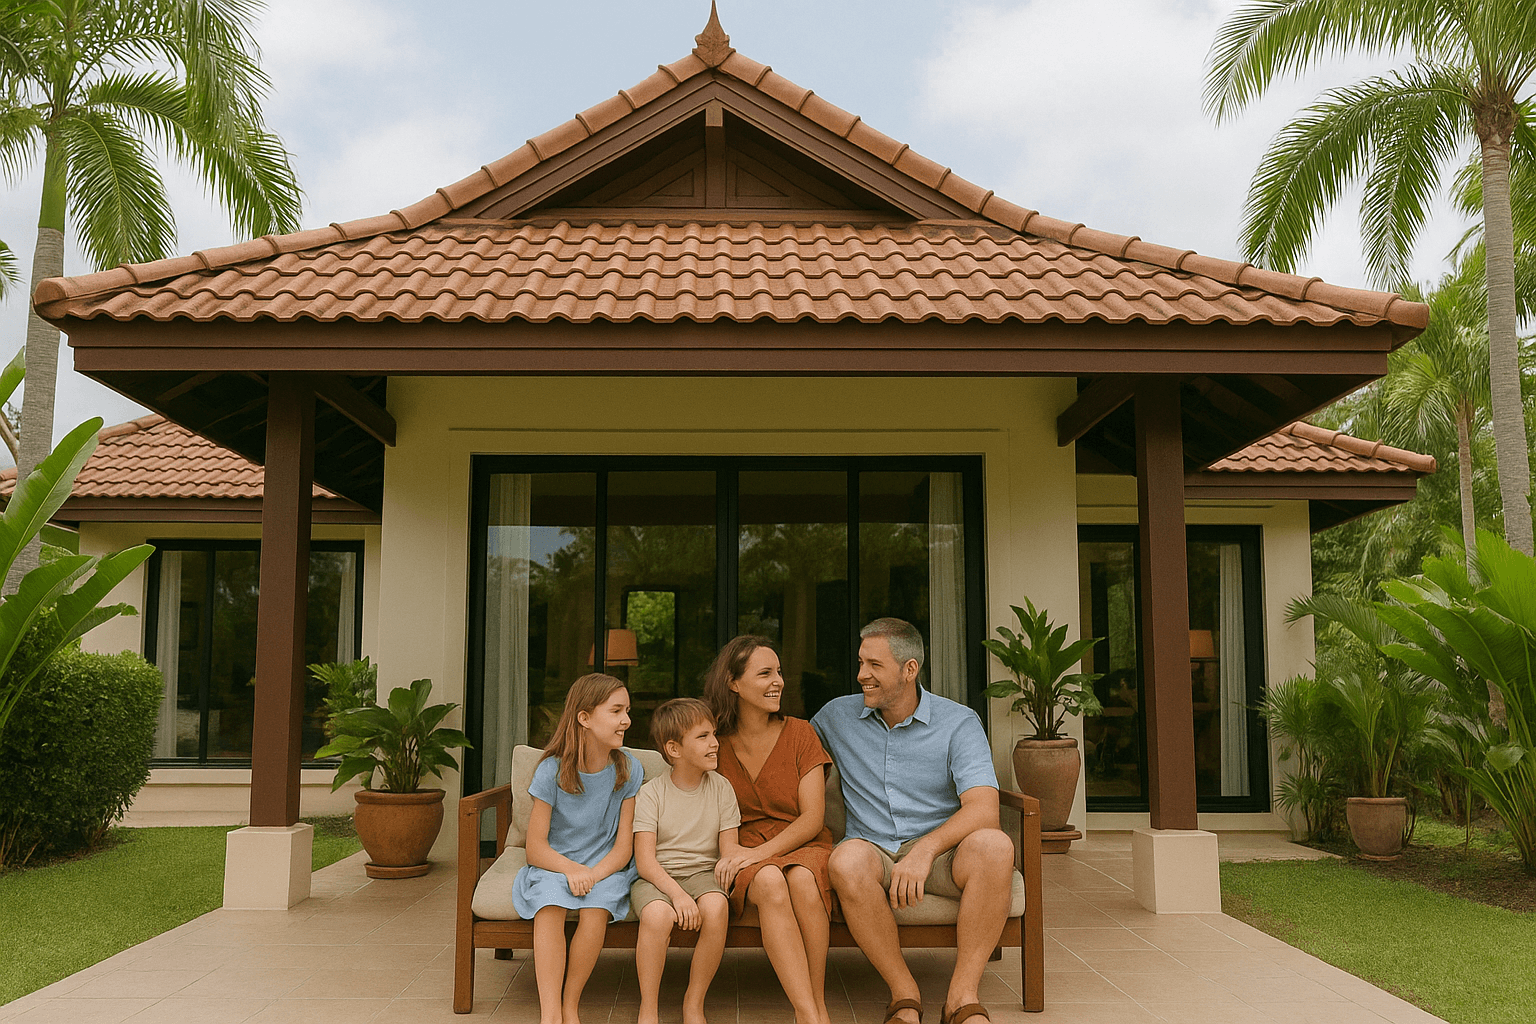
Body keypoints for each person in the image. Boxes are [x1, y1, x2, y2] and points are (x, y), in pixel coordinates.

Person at [812, 618, 1015, 1024]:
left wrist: (925, 849)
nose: (861, 675)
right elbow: (786, 754)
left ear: (909, 670)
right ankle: (904, 994)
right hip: (872, 850)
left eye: (874, 665)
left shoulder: (958, 722)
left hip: (941, 856)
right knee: (845, 860)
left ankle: (961, 997)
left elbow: (984, 808)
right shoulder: (835, 717)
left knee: (996, 845)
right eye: (860, 663)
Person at [704, 636, 836, 1024]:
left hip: (802, 842)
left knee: (803, 882)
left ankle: (814, 1006)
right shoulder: (713, 742)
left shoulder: (800, 733)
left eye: (778, 672)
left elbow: (812, 818)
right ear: (733, 682)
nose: (778, 681)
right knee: (772, 883)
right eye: (765, 673)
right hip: (739, 847)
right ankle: (810, 1014)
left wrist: (760, 854)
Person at [512, 673, 644, 1024]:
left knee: (597, 908)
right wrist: (571, 870)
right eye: (616, 710)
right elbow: (535, 848)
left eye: (627, 710)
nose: (626, 720)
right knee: (549, 906)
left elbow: (623, 847)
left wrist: (593, 874)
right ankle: (550, 1012)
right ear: (584, 718)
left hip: (606, 865)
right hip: (556, 863)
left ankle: (571, 1003)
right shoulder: (551, 770)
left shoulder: (629, 768)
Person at [632, 698, 742, 1024]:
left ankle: (693, 1003)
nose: (715, 743)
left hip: (704, 873)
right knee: (656, 915)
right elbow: (645, 861)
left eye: (714, 734)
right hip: (657, 877)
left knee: (716, 908)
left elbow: (729, 849)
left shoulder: (722, 788)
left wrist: (731, 862)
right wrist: (678, 895)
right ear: (674, 749)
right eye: (703, 736)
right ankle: (648, 1008)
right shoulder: (651, 793)